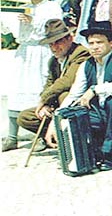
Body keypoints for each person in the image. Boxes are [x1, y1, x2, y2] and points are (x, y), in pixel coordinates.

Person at [46, 21, 112, 170]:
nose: (95, 46)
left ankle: (111, 154)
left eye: (99, 42)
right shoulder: (86, 65)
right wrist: (55, 121)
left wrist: (95, 89)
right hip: (102, 113)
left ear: (111, 42)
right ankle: (89, 152)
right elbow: (74, 94)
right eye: (91, 43)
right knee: (76, 112)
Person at [3, 0, 63, 152]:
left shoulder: (52, 7)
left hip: (41, 51)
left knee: (39, 92)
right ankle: (12, 136)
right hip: (24, 53)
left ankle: (40, 135)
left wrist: (33, 21)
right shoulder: (22, 7)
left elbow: (54, 26)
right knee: (16, 90)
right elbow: (8, 29)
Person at [15, 19, 90, 151]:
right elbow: (49, 83)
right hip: (58, 105)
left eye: (58, 42)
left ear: (70, 38)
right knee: (25, 117)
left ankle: (77, 140)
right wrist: (45, 104)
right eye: (51, 44)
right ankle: (56, 137)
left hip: (79, 103)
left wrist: (45, 98)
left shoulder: (81, 53)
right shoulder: (54, 60)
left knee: (63, 95)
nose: (54, 47)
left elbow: (67, 81)